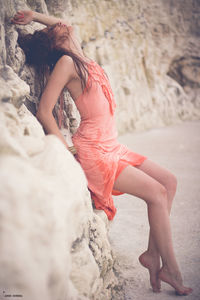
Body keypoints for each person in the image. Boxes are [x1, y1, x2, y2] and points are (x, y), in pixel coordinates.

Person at [11, 9, 192, 296]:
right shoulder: (67, 63)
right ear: (56, 44)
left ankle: (151, 255)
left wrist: (34, 15)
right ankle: (170, 269)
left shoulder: (79, 56)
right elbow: (45, 111)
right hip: (96, 152)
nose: (64, 28)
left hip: (113, 145)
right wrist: (64, 155)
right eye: (56, 32)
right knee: (157, 194)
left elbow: (64, 24)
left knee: (169, 182)